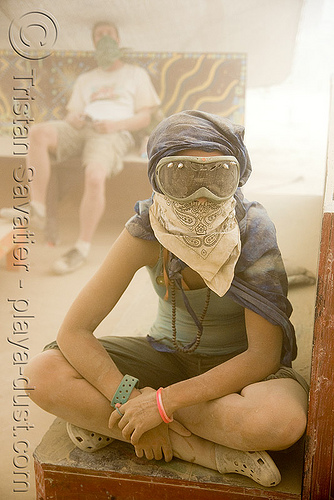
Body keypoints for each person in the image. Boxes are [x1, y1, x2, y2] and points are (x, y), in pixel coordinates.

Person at [24, 111, 308, 488]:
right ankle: (202, 450)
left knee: (280, 420)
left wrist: (159, 405)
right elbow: (74, 330)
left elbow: (262, 356)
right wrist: (129, 399)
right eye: (183, 176)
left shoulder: (251, 231)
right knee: (40, 376)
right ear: (157, 178)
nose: (202, 196)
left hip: (237, 371)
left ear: (237, 177)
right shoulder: (147, 229)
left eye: (217, 177)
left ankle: (113, 425)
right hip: (164, 357)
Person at [1, 21, 160, 274]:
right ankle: (38, 208)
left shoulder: (135, 74)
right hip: (80, 127)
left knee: (95, 176)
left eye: (109, 33)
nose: (104, 38)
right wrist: (72, 119)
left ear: (118, 40)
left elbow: (144, 117)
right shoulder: (87, 79)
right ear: (94, 43)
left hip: (113, 132)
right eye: (99, 35)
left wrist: (114, 124)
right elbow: (72, 112)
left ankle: (82, 248)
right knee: (38, 132)